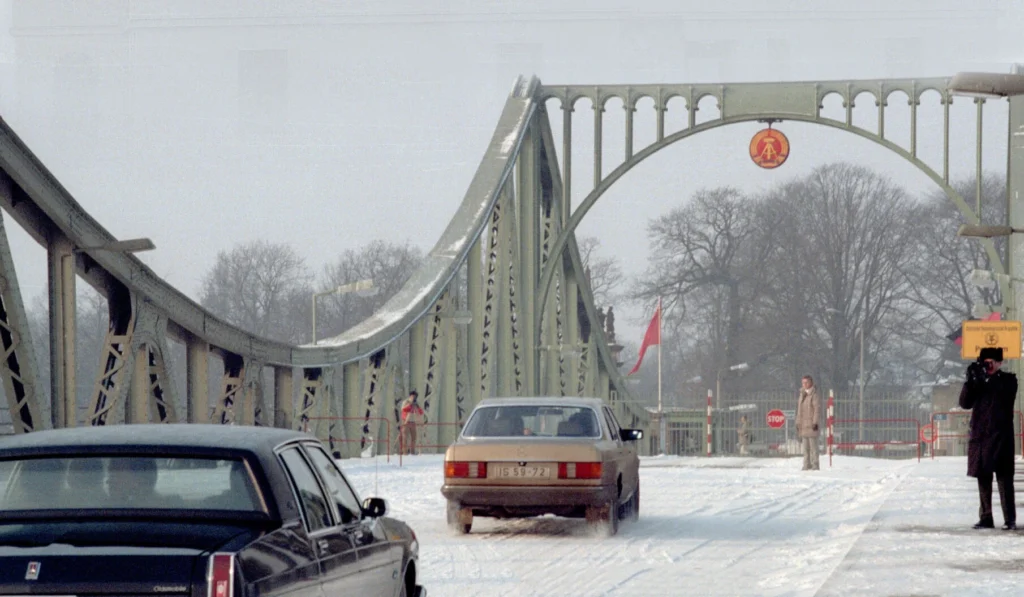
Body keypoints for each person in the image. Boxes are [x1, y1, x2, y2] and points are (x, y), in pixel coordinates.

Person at [959, 347, 1018, 530]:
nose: (989, 366)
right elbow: (965, 403)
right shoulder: (977, 382)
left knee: (1004, 480)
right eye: (986, 362)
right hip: (981, 437)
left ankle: (1010, 519)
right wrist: (970, 382)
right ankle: (986, 517)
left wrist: (985, 379)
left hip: (1001, 438)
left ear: (1000, 363)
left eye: (992, 362)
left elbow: (1003, 397)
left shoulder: (1008, 380)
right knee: (983, 479)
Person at [795, 375, 821, 471]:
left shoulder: (814, 395)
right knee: (805, 448)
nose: (804, 384)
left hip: (811, 425)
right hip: (803, 425)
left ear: (811, 383)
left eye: (806, 382)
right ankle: (806, 464)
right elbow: (799, 411)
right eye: (803, 383)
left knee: (813, 447)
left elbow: (816, 410)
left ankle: (815, 464)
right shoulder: (802, 395)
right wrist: (798, 422)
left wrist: (815, 422)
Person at [400, 390, 426, 456]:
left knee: (414, 438)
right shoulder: (406, 402)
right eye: (413, 396)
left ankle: (412, 452)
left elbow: (421, 412)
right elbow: (403, 409)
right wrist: (410, 404)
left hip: (413, 422)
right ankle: (405, 453)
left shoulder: (416, 403)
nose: (414, 398)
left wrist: (416, 406)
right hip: (405, 421)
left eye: (415, 396)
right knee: (405, 438)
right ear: (410, 396)